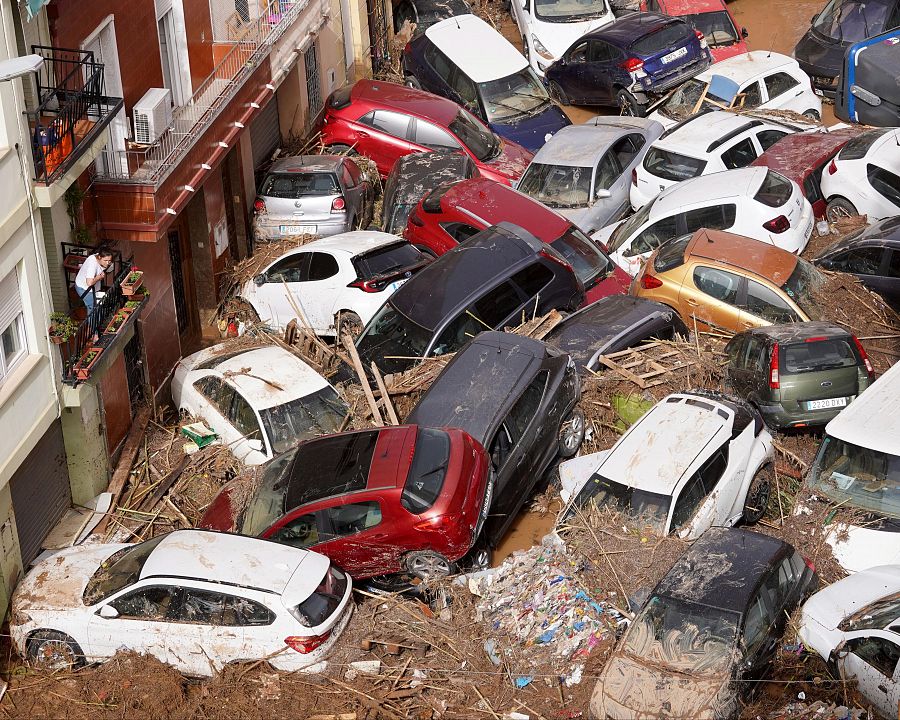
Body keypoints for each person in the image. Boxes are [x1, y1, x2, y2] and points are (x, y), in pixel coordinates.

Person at [74, 247, 113, 316]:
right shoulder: (92, 265)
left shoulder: (98, 256)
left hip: (92, 288)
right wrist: (98, 278)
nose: (107, 263)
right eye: (105, 260)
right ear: (99, 257)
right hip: (84, 288)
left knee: (98, 305)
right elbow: (89, 283)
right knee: (93, 308)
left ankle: (97, 322)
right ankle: (93, 326)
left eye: (109, 261)